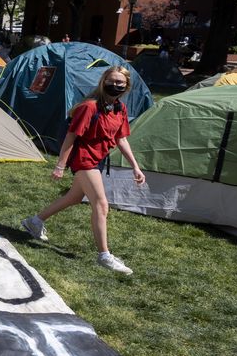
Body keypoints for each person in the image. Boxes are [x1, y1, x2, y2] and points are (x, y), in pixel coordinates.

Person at [21, 66, 146, 275]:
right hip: (83, 159)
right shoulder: (89, 107)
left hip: (98, 159)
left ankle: (34, 222)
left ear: (126, 86)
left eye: (120, 83)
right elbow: (71, 136)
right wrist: (60, 165)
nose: (115, 86)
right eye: (111, 81)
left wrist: (135, 166)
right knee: (101, 204)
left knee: (74, 197)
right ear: (103, 81)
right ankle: (104, 256)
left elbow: (121, 138)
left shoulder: (119, 109)